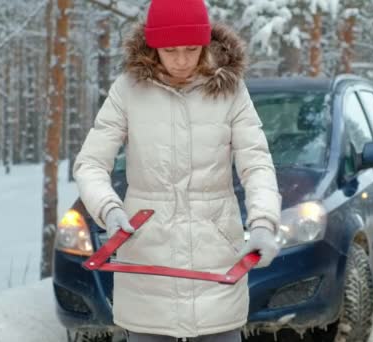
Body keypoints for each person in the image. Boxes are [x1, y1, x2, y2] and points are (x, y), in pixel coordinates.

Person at [72, 0, 282, 341]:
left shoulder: (230, 90)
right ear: (153, 47)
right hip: (147, 268)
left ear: (206, 44)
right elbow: (90, 164)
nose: (182, 60)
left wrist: (262, 223)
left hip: (216, 264)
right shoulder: (128, 90)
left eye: (192, 49)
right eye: (170, 50)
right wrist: (109, 210)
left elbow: (256, 163)